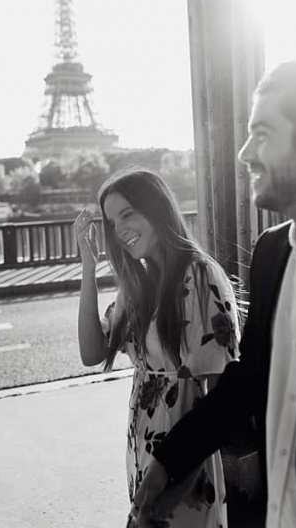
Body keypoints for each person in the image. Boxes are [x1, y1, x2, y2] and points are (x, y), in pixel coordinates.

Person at [133, 58, 296, 528]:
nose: (243, 153)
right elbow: (251, 375)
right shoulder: (271, 252)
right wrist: (171, 459)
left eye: (262, 133)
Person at [74, 167, 241, 528]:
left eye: (128, 214)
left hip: (181, 468)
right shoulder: (139, 283)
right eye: (112, 222)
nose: (119, 231)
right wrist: (88, 269)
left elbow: (218, 402)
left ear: (158, 209)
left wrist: (171, 488)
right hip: (145, 457)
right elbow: (91, 353)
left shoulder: (200, 276)